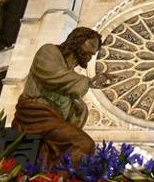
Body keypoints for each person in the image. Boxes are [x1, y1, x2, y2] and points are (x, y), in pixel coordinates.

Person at [12, 27, 113, 167]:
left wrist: (78, 108)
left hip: (51, 119)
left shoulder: (69, 73)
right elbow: (52, 74)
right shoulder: (49, 51)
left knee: (63, 153)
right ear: (78, 40)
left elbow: (66, 106)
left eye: (94, 52)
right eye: (91, 45)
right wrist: (89, 82)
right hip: (35, 116)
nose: (92, 53)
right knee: (84, 144)